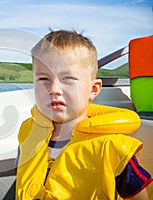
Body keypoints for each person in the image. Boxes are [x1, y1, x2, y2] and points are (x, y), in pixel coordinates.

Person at [15, 30, 152, 199]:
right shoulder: (27, 132)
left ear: (93, 90)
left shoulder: (112, 149)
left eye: (67, 79)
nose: (54, 90)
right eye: (43, 79)